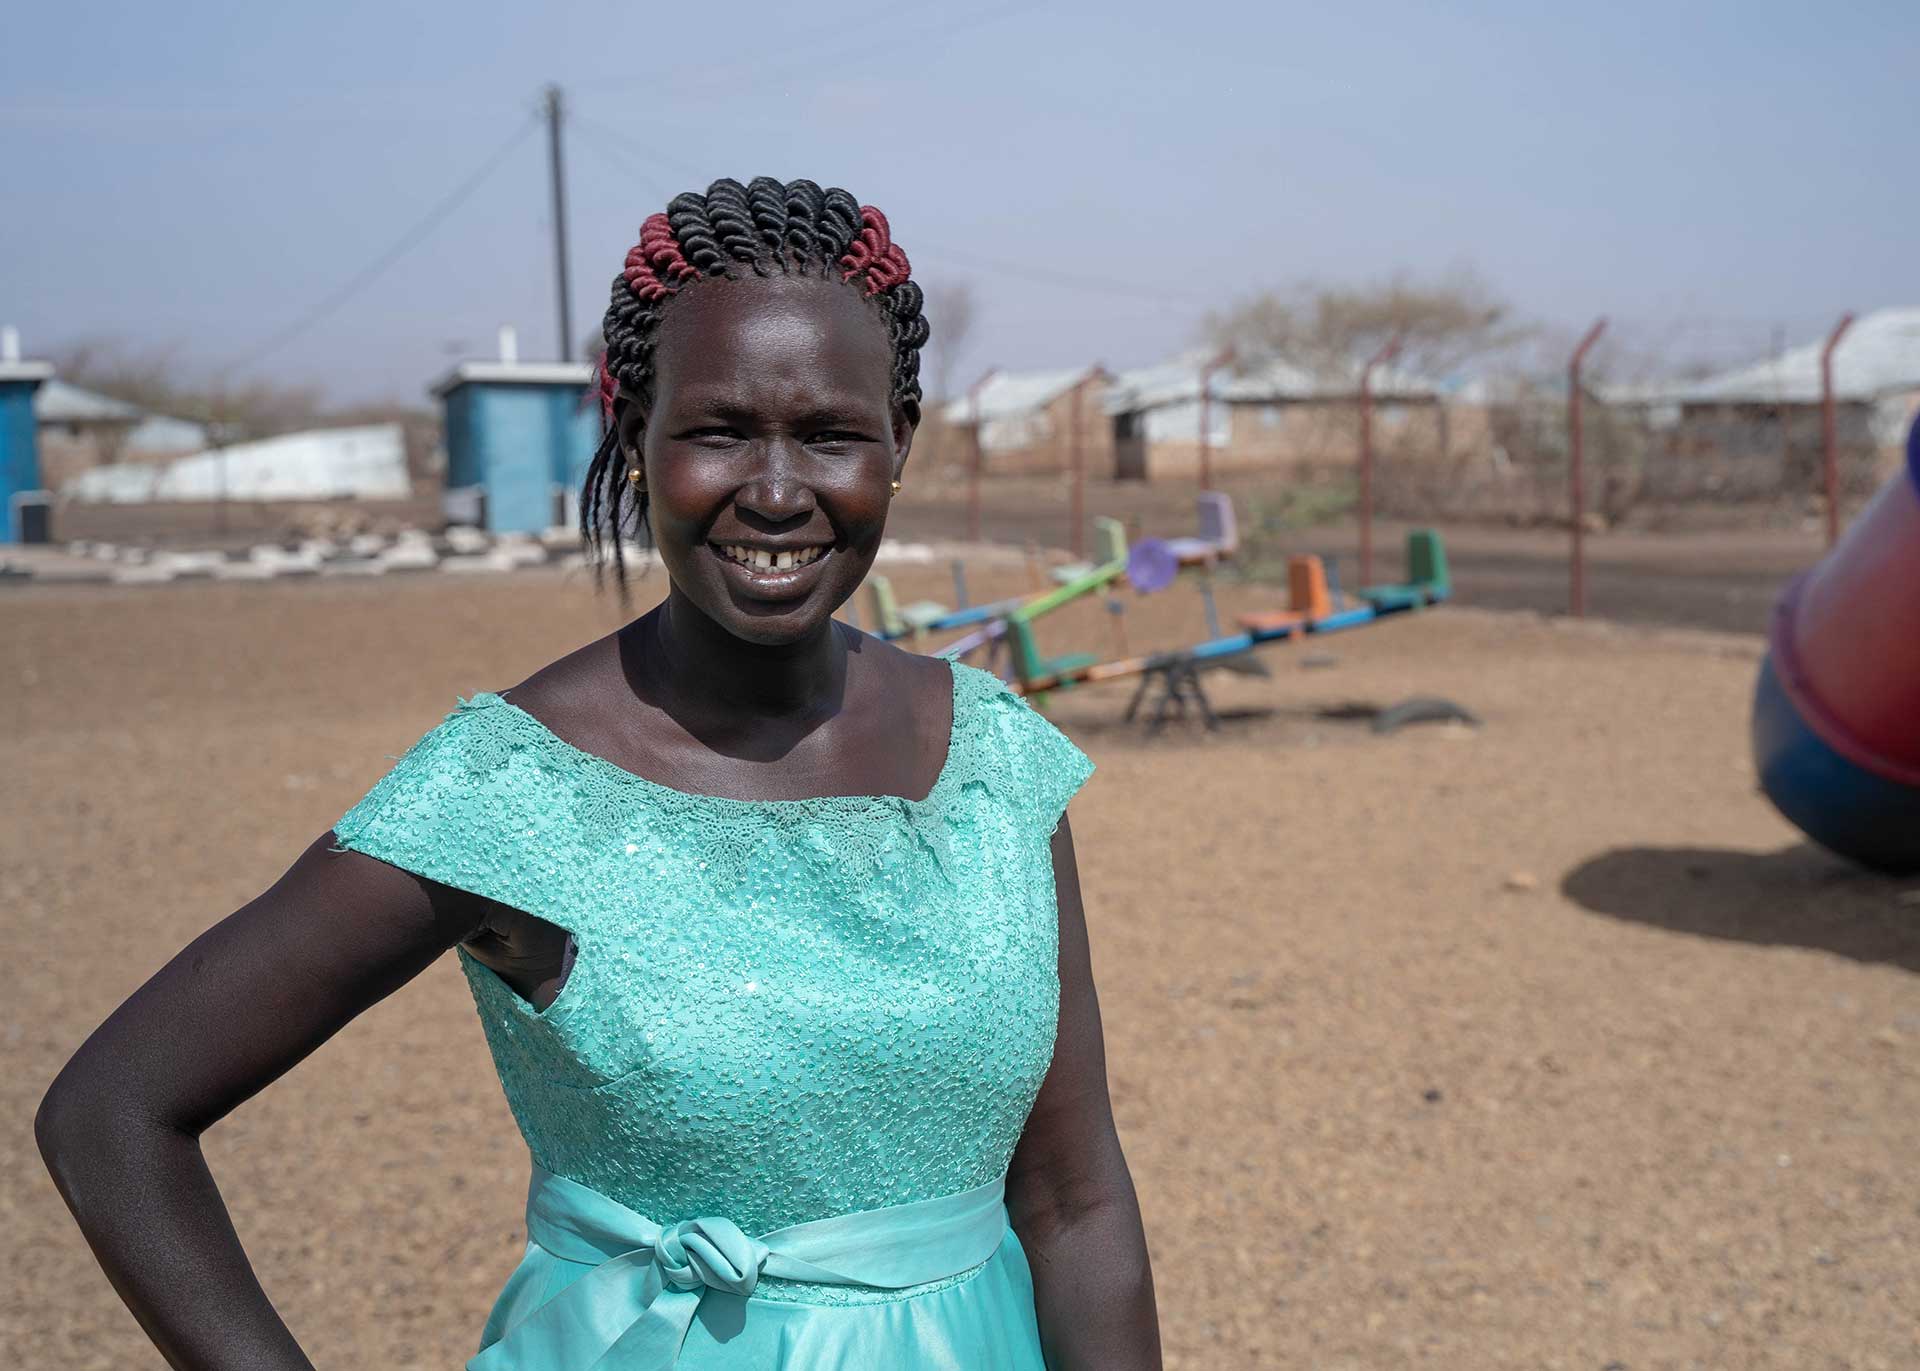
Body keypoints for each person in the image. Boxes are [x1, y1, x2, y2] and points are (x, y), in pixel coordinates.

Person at [35, 175, 1161, 1370]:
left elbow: (1072, 1202)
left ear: (899, 448)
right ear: (635, 435)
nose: (777, 493)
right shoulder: (516, 790)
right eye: (718, 430)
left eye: (830, 434)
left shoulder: (992, 766)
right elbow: (113, 1113)